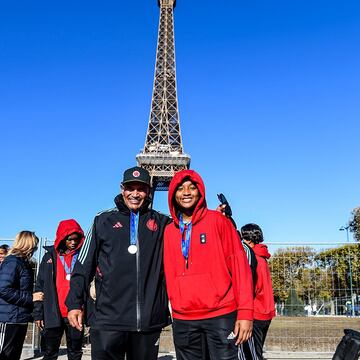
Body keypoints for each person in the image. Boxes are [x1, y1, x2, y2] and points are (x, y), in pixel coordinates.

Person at [66, 166, 171, 360]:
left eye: (140, 188)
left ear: (148, 190)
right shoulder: (102, 220)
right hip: (108, 320)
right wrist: (74, 303)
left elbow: (191, 231)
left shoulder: (164, 222)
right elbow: (82, 266)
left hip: (147, 322)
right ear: (122, 189)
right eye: (130, 188)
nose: (135, 194)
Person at [163, 169, 254, 360]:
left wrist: (245, 312)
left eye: (192, 187)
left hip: (220, 315)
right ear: (172, 194)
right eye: (180, 188)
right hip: (183, 317)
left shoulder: (219, 221)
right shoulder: (168, 231)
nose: (186, 192)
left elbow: (240, 268)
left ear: (200, 191)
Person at [33, 219, 85, 360]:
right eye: (69, 239)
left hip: (75, 313)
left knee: (75, 353)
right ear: (62, 238)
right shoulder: (49, 257)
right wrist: (38, 313)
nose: (73, 243)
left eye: (76, 239)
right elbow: (39, 286)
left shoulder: (83, 256)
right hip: (52, 313)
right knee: (50, 354)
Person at [0, 230, 39, 360]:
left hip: (19, 318)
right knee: (5, 355)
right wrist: (31, 298)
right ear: (27, 244)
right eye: (34, 245)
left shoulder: (23, 263)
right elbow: (4, 289)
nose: (35, 249)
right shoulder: (13, 262)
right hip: (8, 319)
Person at [240, 223, 276, 360]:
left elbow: (251, 288)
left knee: (252, 353)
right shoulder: (263, 257)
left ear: (249, 239)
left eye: (243, 238)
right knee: (257, 350)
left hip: (255, 312)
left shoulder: (253, 260)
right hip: (265, 311)